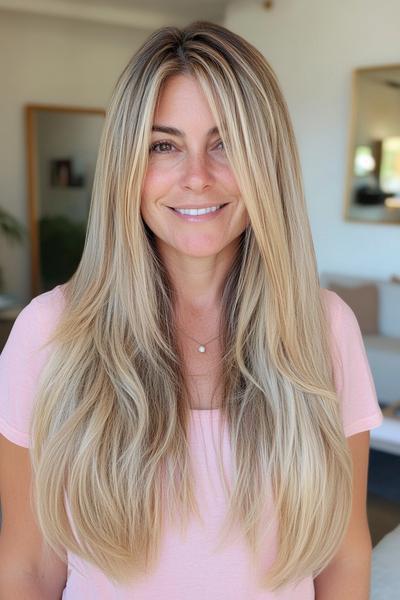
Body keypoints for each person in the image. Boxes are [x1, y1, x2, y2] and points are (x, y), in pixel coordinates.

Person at [0, 21, 383, 599]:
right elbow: (28, 567)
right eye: (164, 145)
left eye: (225, 142)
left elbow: (345, 555)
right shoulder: (50, 333)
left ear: (266, 161)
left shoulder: (324, 328)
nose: (197, 177)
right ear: (126, 165)